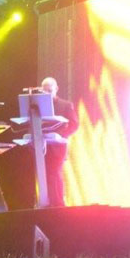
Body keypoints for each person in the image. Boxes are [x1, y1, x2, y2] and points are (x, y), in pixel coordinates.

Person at [41, 77, 78, 206]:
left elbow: (74, 124)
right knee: (44, 174)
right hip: (43, 145)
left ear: (56, 89)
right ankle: (47, 204)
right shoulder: (39, 106)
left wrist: (59, 135)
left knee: (54, 173)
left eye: (49, 90)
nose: (47, 94)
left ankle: (58, 204)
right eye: (44, 91)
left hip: (58, 146)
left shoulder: (66, 105)